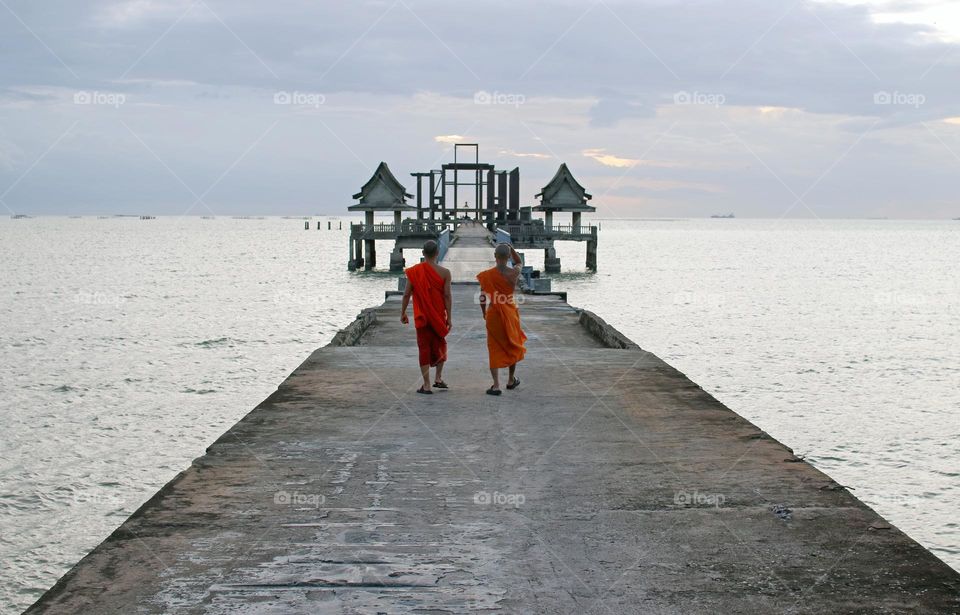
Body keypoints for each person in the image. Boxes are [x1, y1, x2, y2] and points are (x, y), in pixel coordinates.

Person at [401, 240, 452, 394]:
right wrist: (449, 317)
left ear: (423, 253)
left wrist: (402, 312)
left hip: (422, 317)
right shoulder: (445, 273)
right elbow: (447, 296)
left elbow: (406, 294)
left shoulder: (414, 271)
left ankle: (427, 384)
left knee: (424, 348)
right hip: (438, 315)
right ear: (437, 253)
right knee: (440, 344)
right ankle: (438, 377)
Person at [477, 243, 527, 395]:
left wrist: (484, 312)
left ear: (495, 256)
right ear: (508, 257)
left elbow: (482, 297)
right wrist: (511, 248)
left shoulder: (487, 275)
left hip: (494, 313)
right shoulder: (513, 273)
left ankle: (496, 385)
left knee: (494, 347)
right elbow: (519, 262)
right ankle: (511, 380)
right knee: (512, 344)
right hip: (510, 313)